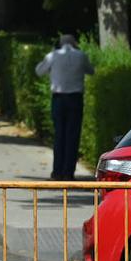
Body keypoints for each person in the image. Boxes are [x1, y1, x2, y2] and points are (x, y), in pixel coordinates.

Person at [35, 34, 94, 181]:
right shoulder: (81, 55)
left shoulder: (53, 55)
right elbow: (91, 70)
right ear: (74, 43)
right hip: (75, 98)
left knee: (59, 134)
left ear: (60, 44)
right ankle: (69, 172)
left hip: (59, 98)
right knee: (73, 135)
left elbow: (39, 71)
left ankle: (57, 171)